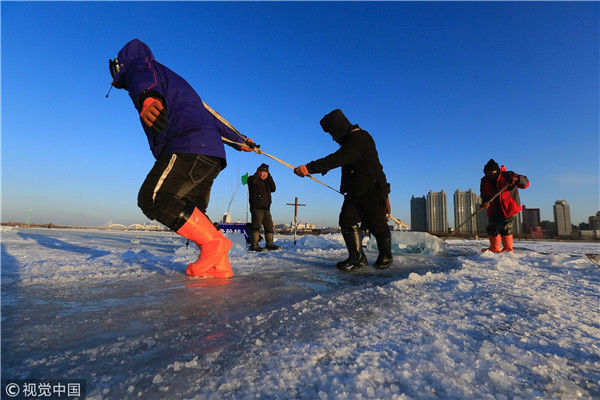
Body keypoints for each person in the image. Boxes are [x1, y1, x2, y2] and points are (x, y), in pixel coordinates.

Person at [108, 39, 255, 278]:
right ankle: (220, 266)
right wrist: (240, 141)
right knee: (191, 210)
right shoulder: (176, 83)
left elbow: (142, 78)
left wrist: (148, 98)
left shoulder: (139, 65)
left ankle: (213, 245)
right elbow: (212, 117)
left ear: (119, 66)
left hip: (188, 145)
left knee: (154, 198)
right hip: (212, 154)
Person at [294, 109, 392, 271]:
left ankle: (386, 256)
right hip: (355, 192)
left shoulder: (360, 138)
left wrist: (310, 167)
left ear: (340, 128)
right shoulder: (352, 140)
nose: (333, 138)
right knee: (346, 220)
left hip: (372, 191)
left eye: (332, 133)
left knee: (377, 224)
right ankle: (357, 258)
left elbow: (339, 158)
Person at [480, 159, 529, 253]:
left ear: (497, 171)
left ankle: (508, 249)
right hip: (494, 207)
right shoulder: (484, 180)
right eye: (487, 174)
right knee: (492, 227)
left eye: (492, 174)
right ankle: (494, 248)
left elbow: (525, 183)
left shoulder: (508, 175)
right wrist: (485, 202)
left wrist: (517, 180)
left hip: (508, 206)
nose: (490, 176)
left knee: (505, 227)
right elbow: (484, 195)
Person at [247, 163, 280, 251]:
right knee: (256, 227)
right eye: (263, 172)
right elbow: (252, 181)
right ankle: (254, 245)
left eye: (266, 173)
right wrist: (257, 173)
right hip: (256, 208)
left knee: (269, 227)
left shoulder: (267, 182)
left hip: (266, 208)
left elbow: (273, 188)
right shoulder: (252, 179)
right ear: (259, 172)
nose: (265, 174)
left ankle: (269, 244)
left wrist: (270, 176)